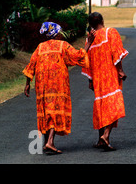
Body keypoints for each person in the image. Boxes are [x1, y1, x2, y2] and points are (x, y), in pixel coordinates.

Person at [23, 22, 90, 154]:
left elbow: (31, 65)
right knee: (54, 109)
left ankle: (47, 142)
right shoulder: (62, 45)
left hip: (42, 84)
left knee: (46, 109)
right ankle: (50, 142)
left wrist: (27, 83)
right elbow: (78, 56)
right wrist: (88, 43)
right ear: (56, 33)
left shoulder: (40, 47)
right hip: (57, 84)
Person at [82, 12, 128, 151]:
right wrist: (120, 70)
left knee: (101, 107)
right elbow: (116, 54)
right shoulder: (110, 32)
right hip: (110, 76)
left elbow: (86, 62)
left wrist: (90, 80)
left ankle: (100, 139)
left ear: (90, 24)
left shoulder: (89, 40)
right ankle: (106, 135)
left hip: (97, 78)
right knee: (115, 106)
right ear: (102, 20)